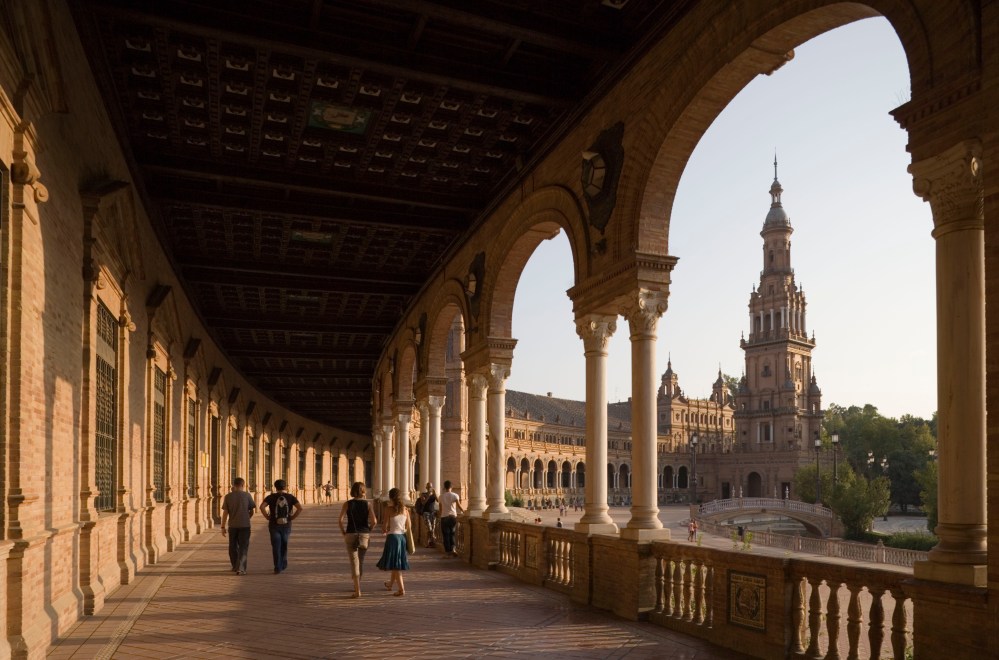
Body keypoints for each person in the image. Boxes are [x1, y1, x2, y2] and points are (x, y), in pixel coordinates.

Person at [339, 481, 377, 598]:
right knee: (361, 560)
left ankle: (357, 590)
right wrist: (368, 530)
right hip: (364, 535)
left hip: (351, 533)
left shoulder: (347, 504)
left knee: (354, 562)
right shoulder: (368, 504)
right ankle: (358, 584)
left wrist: (343, 532)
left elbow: (340, 520)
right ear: (363, 491)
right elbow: (374, 521)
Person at [259, 479, 303, 574]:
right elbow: (300, 508)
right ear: (285, 487)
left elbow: (262, 507)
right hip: (286, 525)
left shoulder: (270, 497)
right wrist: (292, 518)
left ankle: (277, 567)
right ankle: (283, 563)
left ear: (275, 487)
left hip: (274, 525)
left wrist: (267, 517)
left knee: (276, 546)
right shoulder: (290, 497)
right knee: (284, 544)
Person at [376, 487, 411, 596]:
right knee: (396, 562)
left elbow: (384, 526)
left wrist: (385, 530)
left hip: (392, 539)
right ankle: (390, 584)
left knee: (396, 566)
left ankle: (401, 589)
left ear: (391, 497)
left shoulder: (388, 509)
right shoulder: (406, 510)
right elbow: (408, 526)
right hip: (402, 538)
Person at [220, 477, 256, 575]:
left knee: (232, 546)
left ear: (234, 485)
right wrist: (247, 518)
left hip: (233, 525)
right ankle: (241, 568)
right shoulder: (247, 495)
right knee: (243, 547)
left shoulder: (228, 497)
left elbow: (225, 513)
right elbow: (252, 510)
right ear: (243, 485)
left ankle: (235, 566)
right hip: (245, 525)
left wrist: (222, 527)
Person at [437, 480, 463, 557]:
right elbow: (459, 505)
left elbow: (440, 509)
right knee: (452, 534)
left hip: (444, 517)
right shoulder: (455, 495)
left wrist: (440, 515)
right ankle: (453, 548)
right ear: (451, 487)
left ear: (445, 487)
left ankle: (447, 553)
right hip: (452, 517)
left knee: (446, 535)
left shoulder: (441, 497)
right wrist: (464, 511)